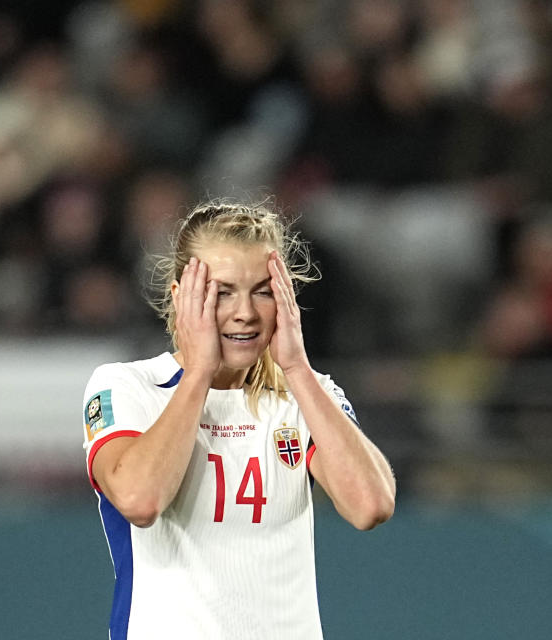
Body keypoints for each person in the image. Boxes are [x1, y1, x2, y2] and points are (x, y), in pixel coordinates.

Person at [81, 201, 396, 639]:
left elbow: (370, 505)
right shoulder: (128, 386)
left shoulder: (304, 394)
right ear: (180, 297)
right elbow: (140, 500)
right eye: (222, 291)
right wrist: (199, 375)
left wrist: (299, 370)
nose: (244, 312)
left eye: (263, 290)